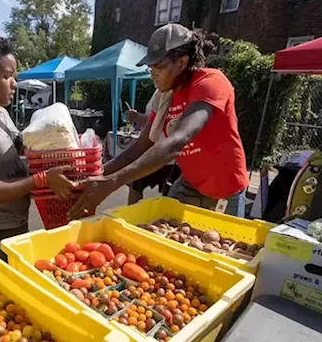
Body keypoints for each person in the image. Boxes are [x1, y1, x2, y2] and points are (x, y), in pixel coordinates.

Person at [69, 24, 249, 219]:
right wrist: (99, 175)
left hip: (226, 189)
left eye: (159, 66)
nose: (152, 72)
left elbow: (178, 141)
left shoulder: (210, 83)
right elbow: (140, 146)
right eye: (151, 66)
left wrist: (114, 182)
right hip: (191, 184)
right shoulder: (166, 97)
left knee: (222, 246)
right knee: (162, 230)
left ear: (182, 62)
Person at [0, 30, 76, 258]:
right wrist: (41, 179)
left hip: (15, 223)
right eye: (7, 76)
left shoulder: (0, 112)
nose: (14, 84)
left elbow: (19, 146)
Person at [126, 90, 179, 204]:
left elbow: (163, 120)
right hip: (151, 151)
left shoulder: (175, 91)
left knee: (169, 197)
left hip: (169, 157)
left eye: (159, 70)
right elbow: (153, 118)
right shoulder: (158, 91)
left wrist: (138, 117)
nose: (153, 74)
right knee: (136, 186)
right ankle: (130, 217)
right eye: (151, 70)